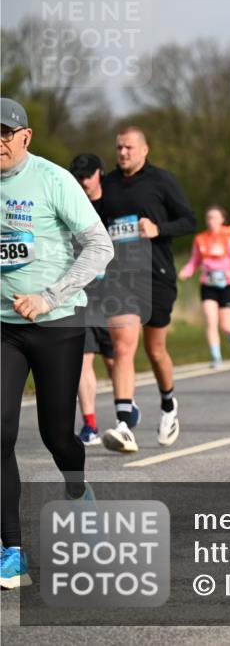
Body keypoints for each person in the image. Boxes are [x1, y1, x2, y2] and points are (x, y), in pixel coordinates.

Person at [1, 98, 113, 588]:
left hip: (56, 325)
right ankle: (12, 550)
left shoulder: (52, 179)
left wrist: (49, 297)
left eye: (6, 133)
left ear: (26, 136)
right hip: (2, 329)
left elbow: (100, 245)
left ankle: (76, 491)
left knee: (56, 434)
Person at [99, 126, 196, 453]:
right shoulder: (107, 185)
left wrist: (159, 229)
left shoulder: (161, 181)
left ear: (144, 150)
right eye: (119, 148)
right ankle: (124, 424)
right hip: (121, 277)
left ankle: (169, 405)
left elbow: (188, 220)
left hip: (157, 274)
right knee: (123, 344)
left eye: (128, 147)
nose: (123, 153)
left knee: (156, 351)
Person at [68, 153, 118, 445]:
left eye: (88, 175)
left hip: (113, 296)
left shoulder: (114, 205)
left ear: (100, 174)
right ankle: (89, 425)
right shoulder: (70, 205)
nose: (84, 181)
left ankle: (122, 418)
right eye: (79, 176)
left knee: (114, 362)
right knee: (82, 362)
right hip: (82, 296)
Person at [179, 206, 230, 369]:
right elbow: (194, 261)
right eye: (209, 217)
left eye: (215, 218)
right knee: (210, 321)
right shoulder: (200, 239)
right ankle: (216, 357)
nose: (212, 221)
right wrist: (186, 271)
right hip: (208, 284)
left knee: (226, 324)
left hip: (227, 284)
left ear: (222, 220)